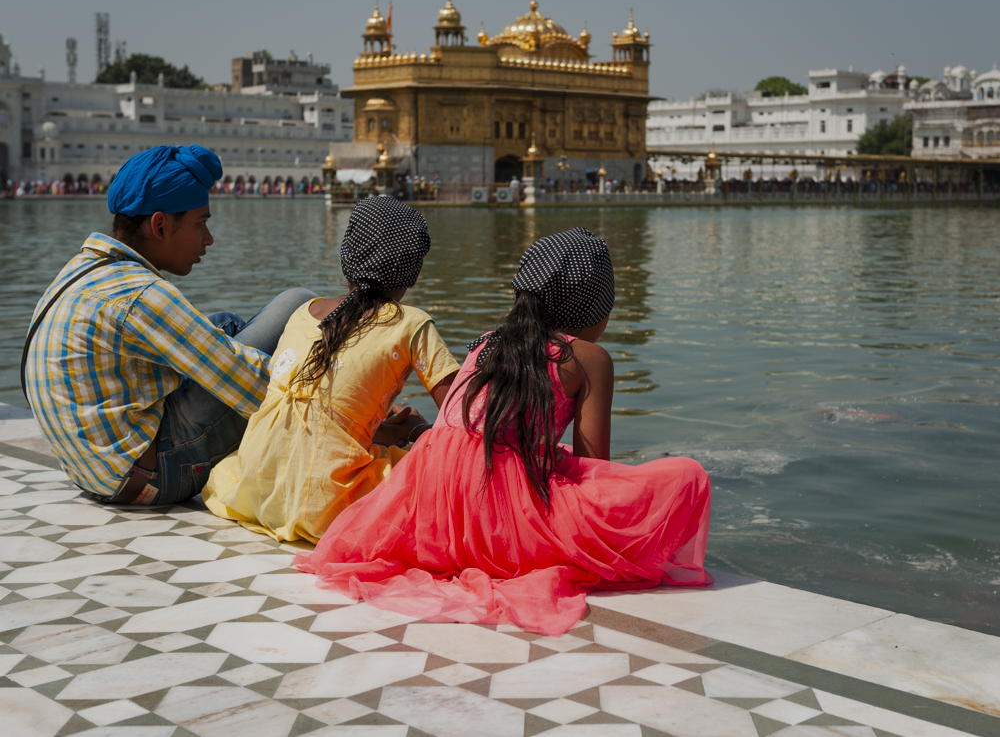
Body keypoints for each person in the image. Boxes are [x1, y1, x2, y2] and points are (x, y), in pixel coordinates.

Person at [296, 227, 713, 636]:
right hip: (497, 518)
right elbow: (595, 467)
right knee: (686, 478)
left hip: (433, 512)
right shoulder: (588, 357)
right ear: (595, 307)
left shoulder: (488, 342)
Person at [23, 145, 315, 506]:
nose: (208, 239)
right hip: (157, 474)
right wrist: (355, 411)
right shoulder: (141, 293)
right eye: (201, 223)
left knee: (225, 324)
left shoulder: (80, 271)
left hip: (97, 476)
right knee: (298, 303)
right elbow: (249, 382)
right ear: (160, 225)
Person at [203, 196, 461, 543]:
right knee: (430, 466)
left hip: (256, 492)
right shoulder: (410, 323)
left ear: (347, 256)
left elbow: (322, 412)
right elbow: (465, 418)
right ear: (409, 269)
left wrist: (380, 429)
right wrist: (415, 431)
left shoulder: (303, 312)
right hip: (332, 508)